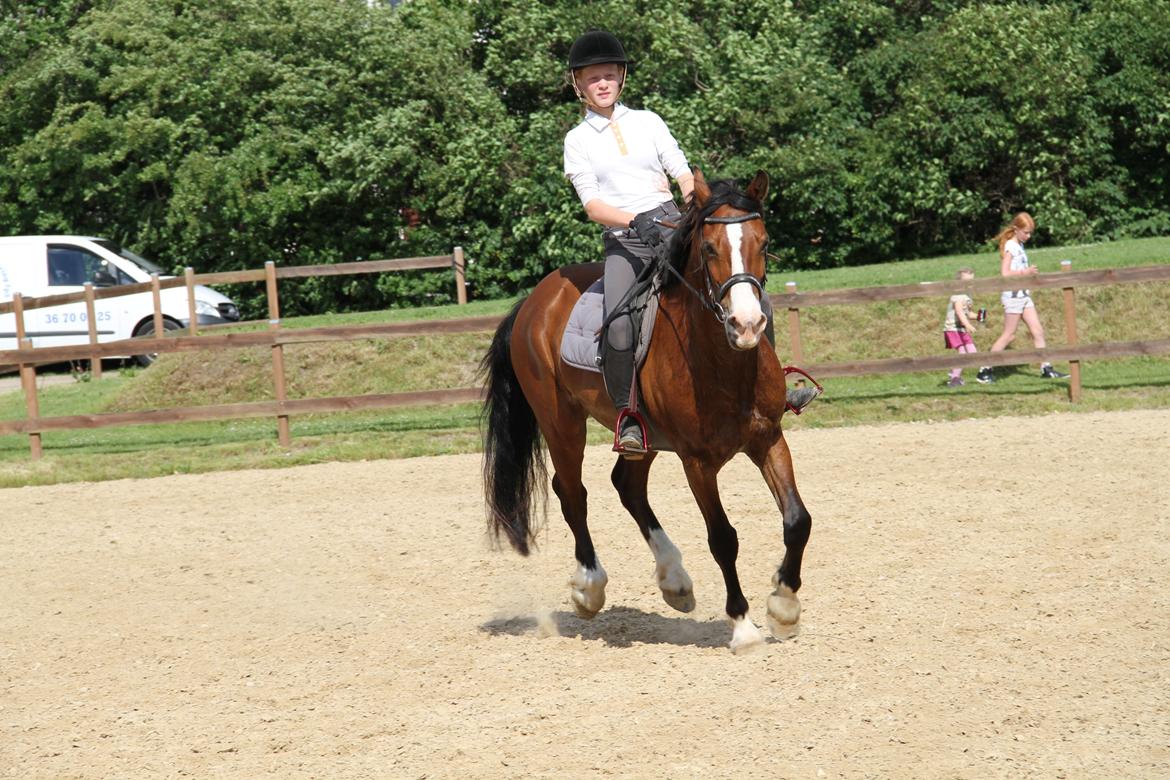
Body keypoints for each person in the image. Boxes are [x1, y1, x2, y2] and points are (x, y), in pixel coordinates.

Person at [562, 30, 694, 456]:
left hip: (673, 225)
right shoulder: (577, 141)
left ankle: (773, 387)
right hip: (626, 240)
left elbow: (682, 171)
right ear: (578, 85)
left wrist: (692, 204)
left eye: (608, 75)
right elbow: (594, 206)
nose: (602, 84)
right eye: (592, 78)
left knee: (736, 283)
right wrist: (636, 221)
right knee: (619, 323)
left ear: (621, 78)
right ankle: (628, 417)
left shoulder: (648, 121)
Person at [975, 212, 1069, 384]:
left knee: (1038, 331)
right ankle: (984, 370)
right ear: (1017, 229)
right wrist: (1024, 273)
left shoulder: (1019, 245)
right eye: (1026, 232)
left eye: (1030, 232)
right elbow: (1005, 273)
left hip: (1023, 295)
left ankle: (1046, 368)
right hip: (1012, 296)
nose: (1028, 236)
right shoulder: (1011, 246)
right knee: (1009, 335)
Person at [943, 267, 980, 387]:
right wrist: (968, 324)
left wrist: (979, 316)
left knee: (972, 352)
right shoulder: (958, 295)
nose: (970, 284)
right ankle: (954, 378)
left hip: (962, 328)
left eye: (972, 281)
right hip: (953, 328)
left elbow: (967, 314)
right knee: (963, 353)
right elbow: (959, 312)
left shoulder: (968, 295)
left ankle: (954, 372)